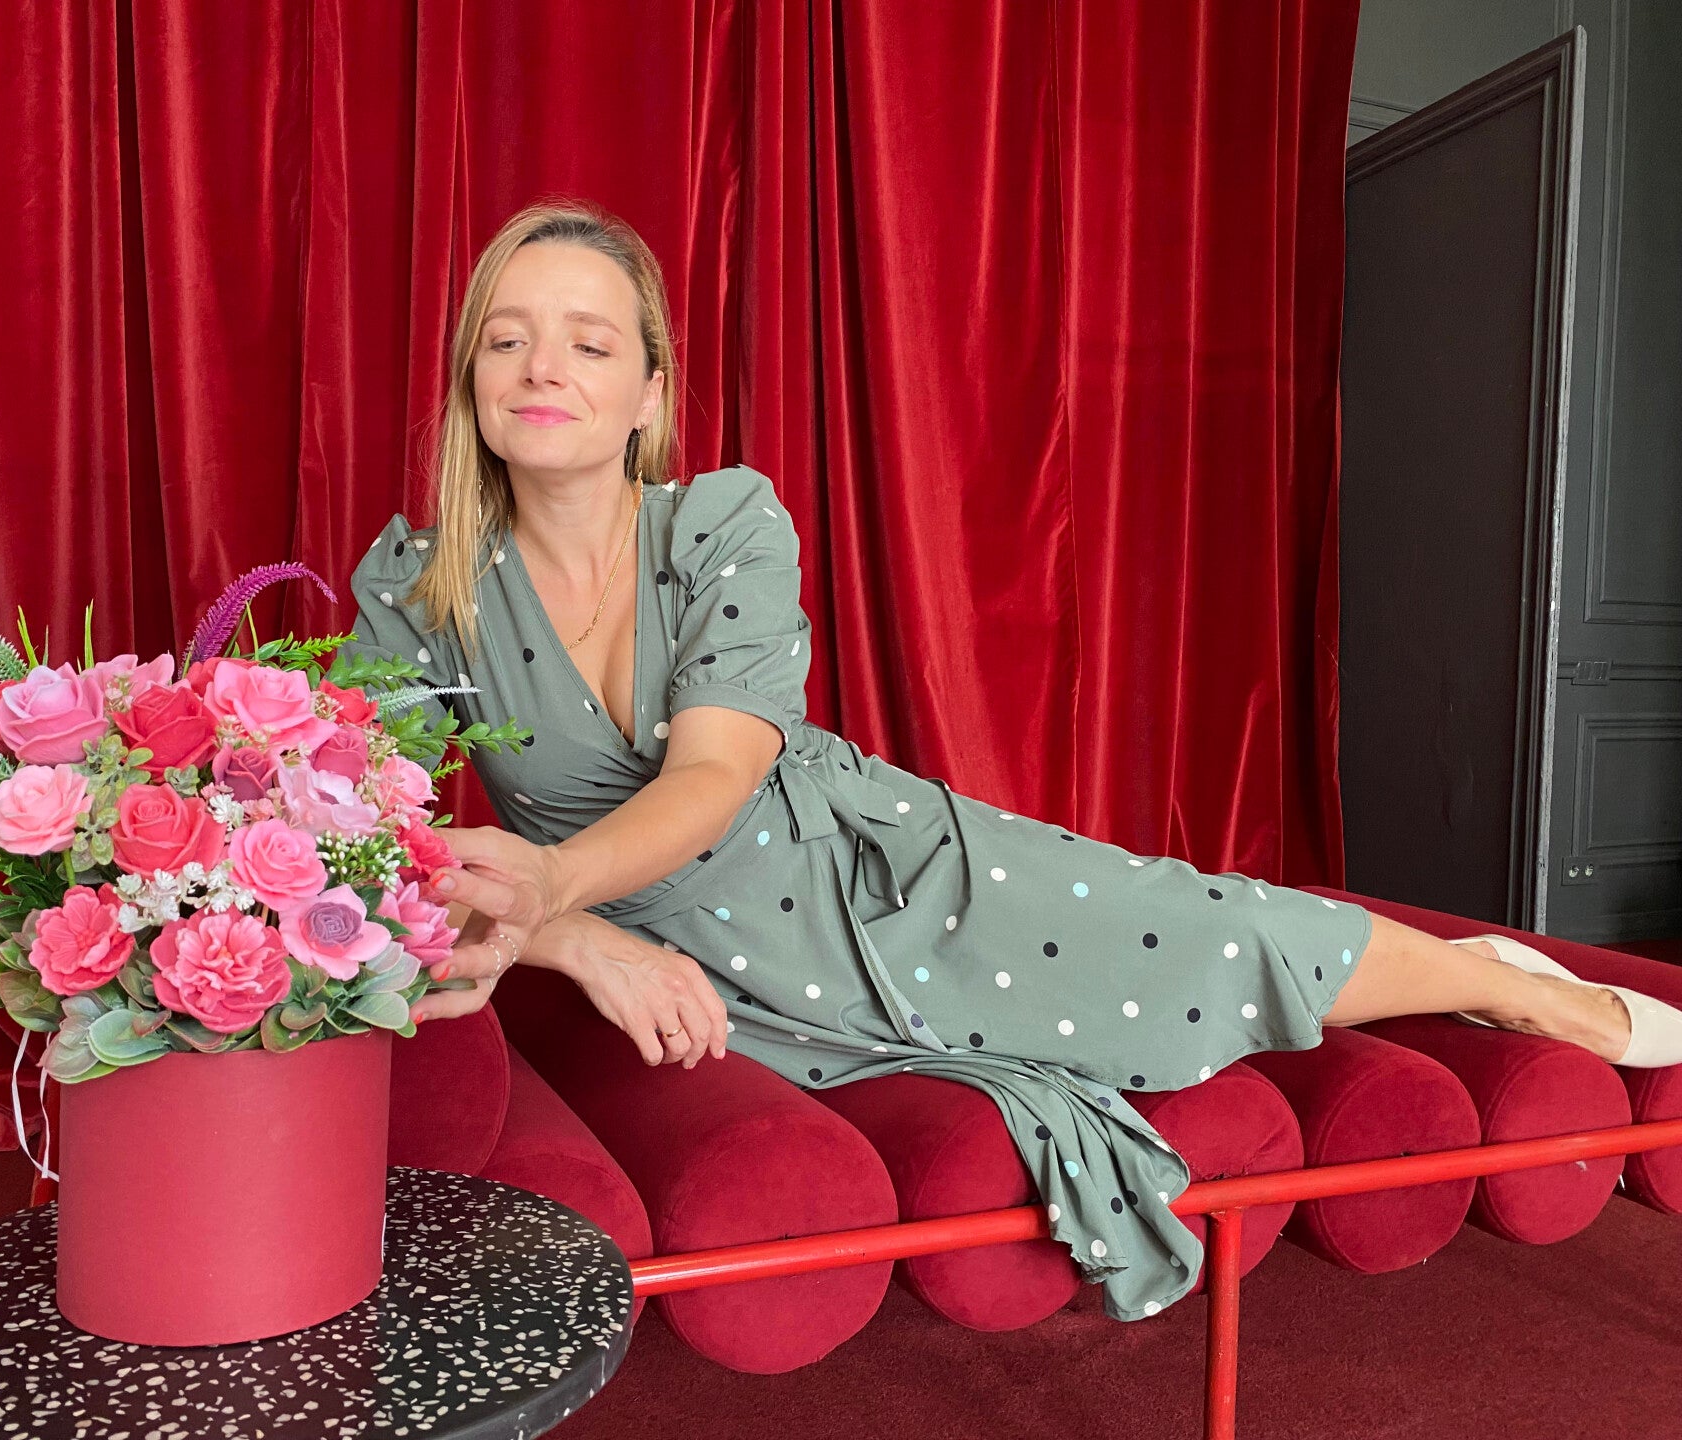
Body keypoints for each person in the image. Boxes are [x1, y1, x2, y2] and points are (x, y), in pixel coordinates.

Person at [336, 199, 1682, 1320]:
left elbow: (714, 778)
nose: (543, 368)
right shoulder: (415, 590)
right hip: (713, 964)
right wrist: (580, 942)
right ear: (471, 380)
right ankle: (1477, 981)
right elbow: (365, 846)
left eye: (587, 341)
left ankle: (1511, 991)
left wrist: (549, 892)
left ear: (649, 391)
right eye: (506, 338)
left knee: (1205, 932)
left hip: (875, 875)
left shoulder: (722, 524)